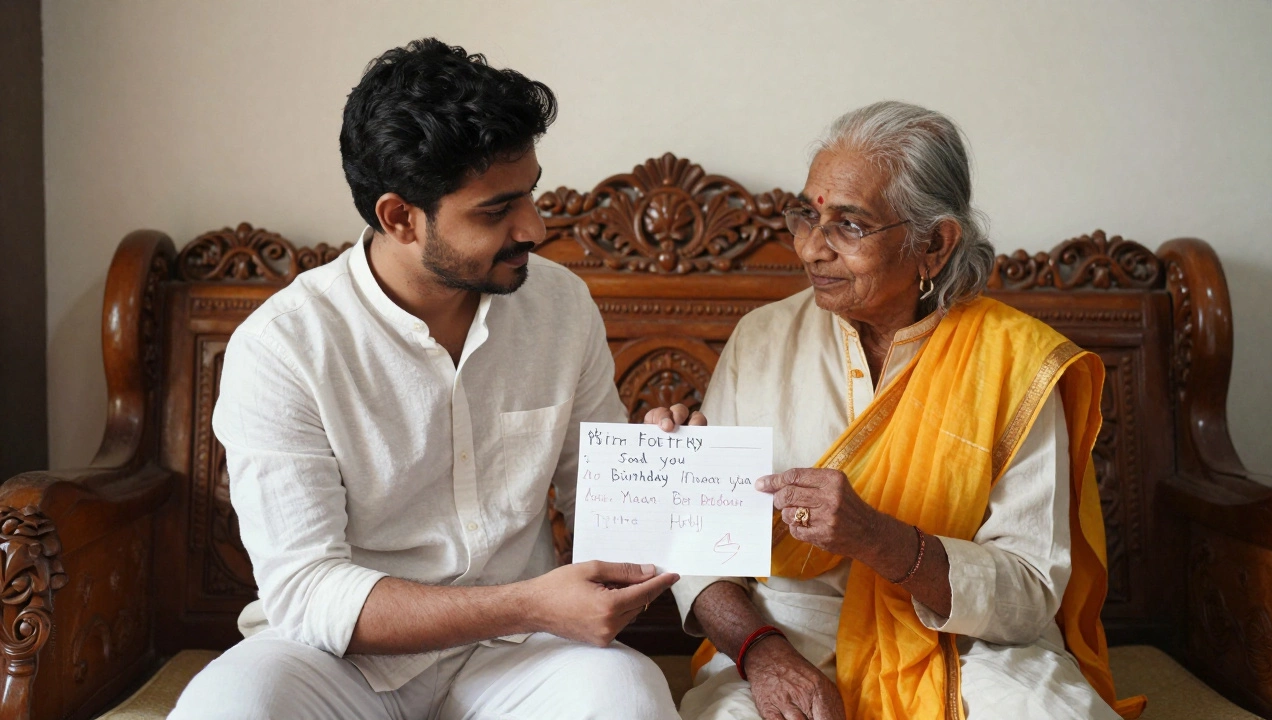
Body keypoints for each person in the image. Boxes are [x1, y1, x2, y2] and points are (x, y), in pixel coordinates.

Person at [170, 38, 680, 720]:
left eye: (530, 192)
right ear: (399, 217)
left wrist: (660, 477)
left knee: (627, 696)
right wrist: (528, 600)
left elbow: (605, 524)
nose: (534, 226)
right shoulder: (284, 347)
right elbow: (308, 591)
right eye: (496, 211)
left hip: (523, 653)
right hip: (338, 661)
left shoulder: (558, 306)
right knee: (227, 708)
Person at [647, 101, 1145, 720]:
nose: (811, 249)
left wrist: (880, 540)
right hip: (785, 639)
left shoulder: (1017, 360)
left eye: (849, 226)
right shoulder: (761, 338)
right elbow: (702, 554)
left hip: (967, 645)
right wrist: (762, 653)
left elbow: (1028, 595)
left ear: (933, 244)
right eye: (806, 215)